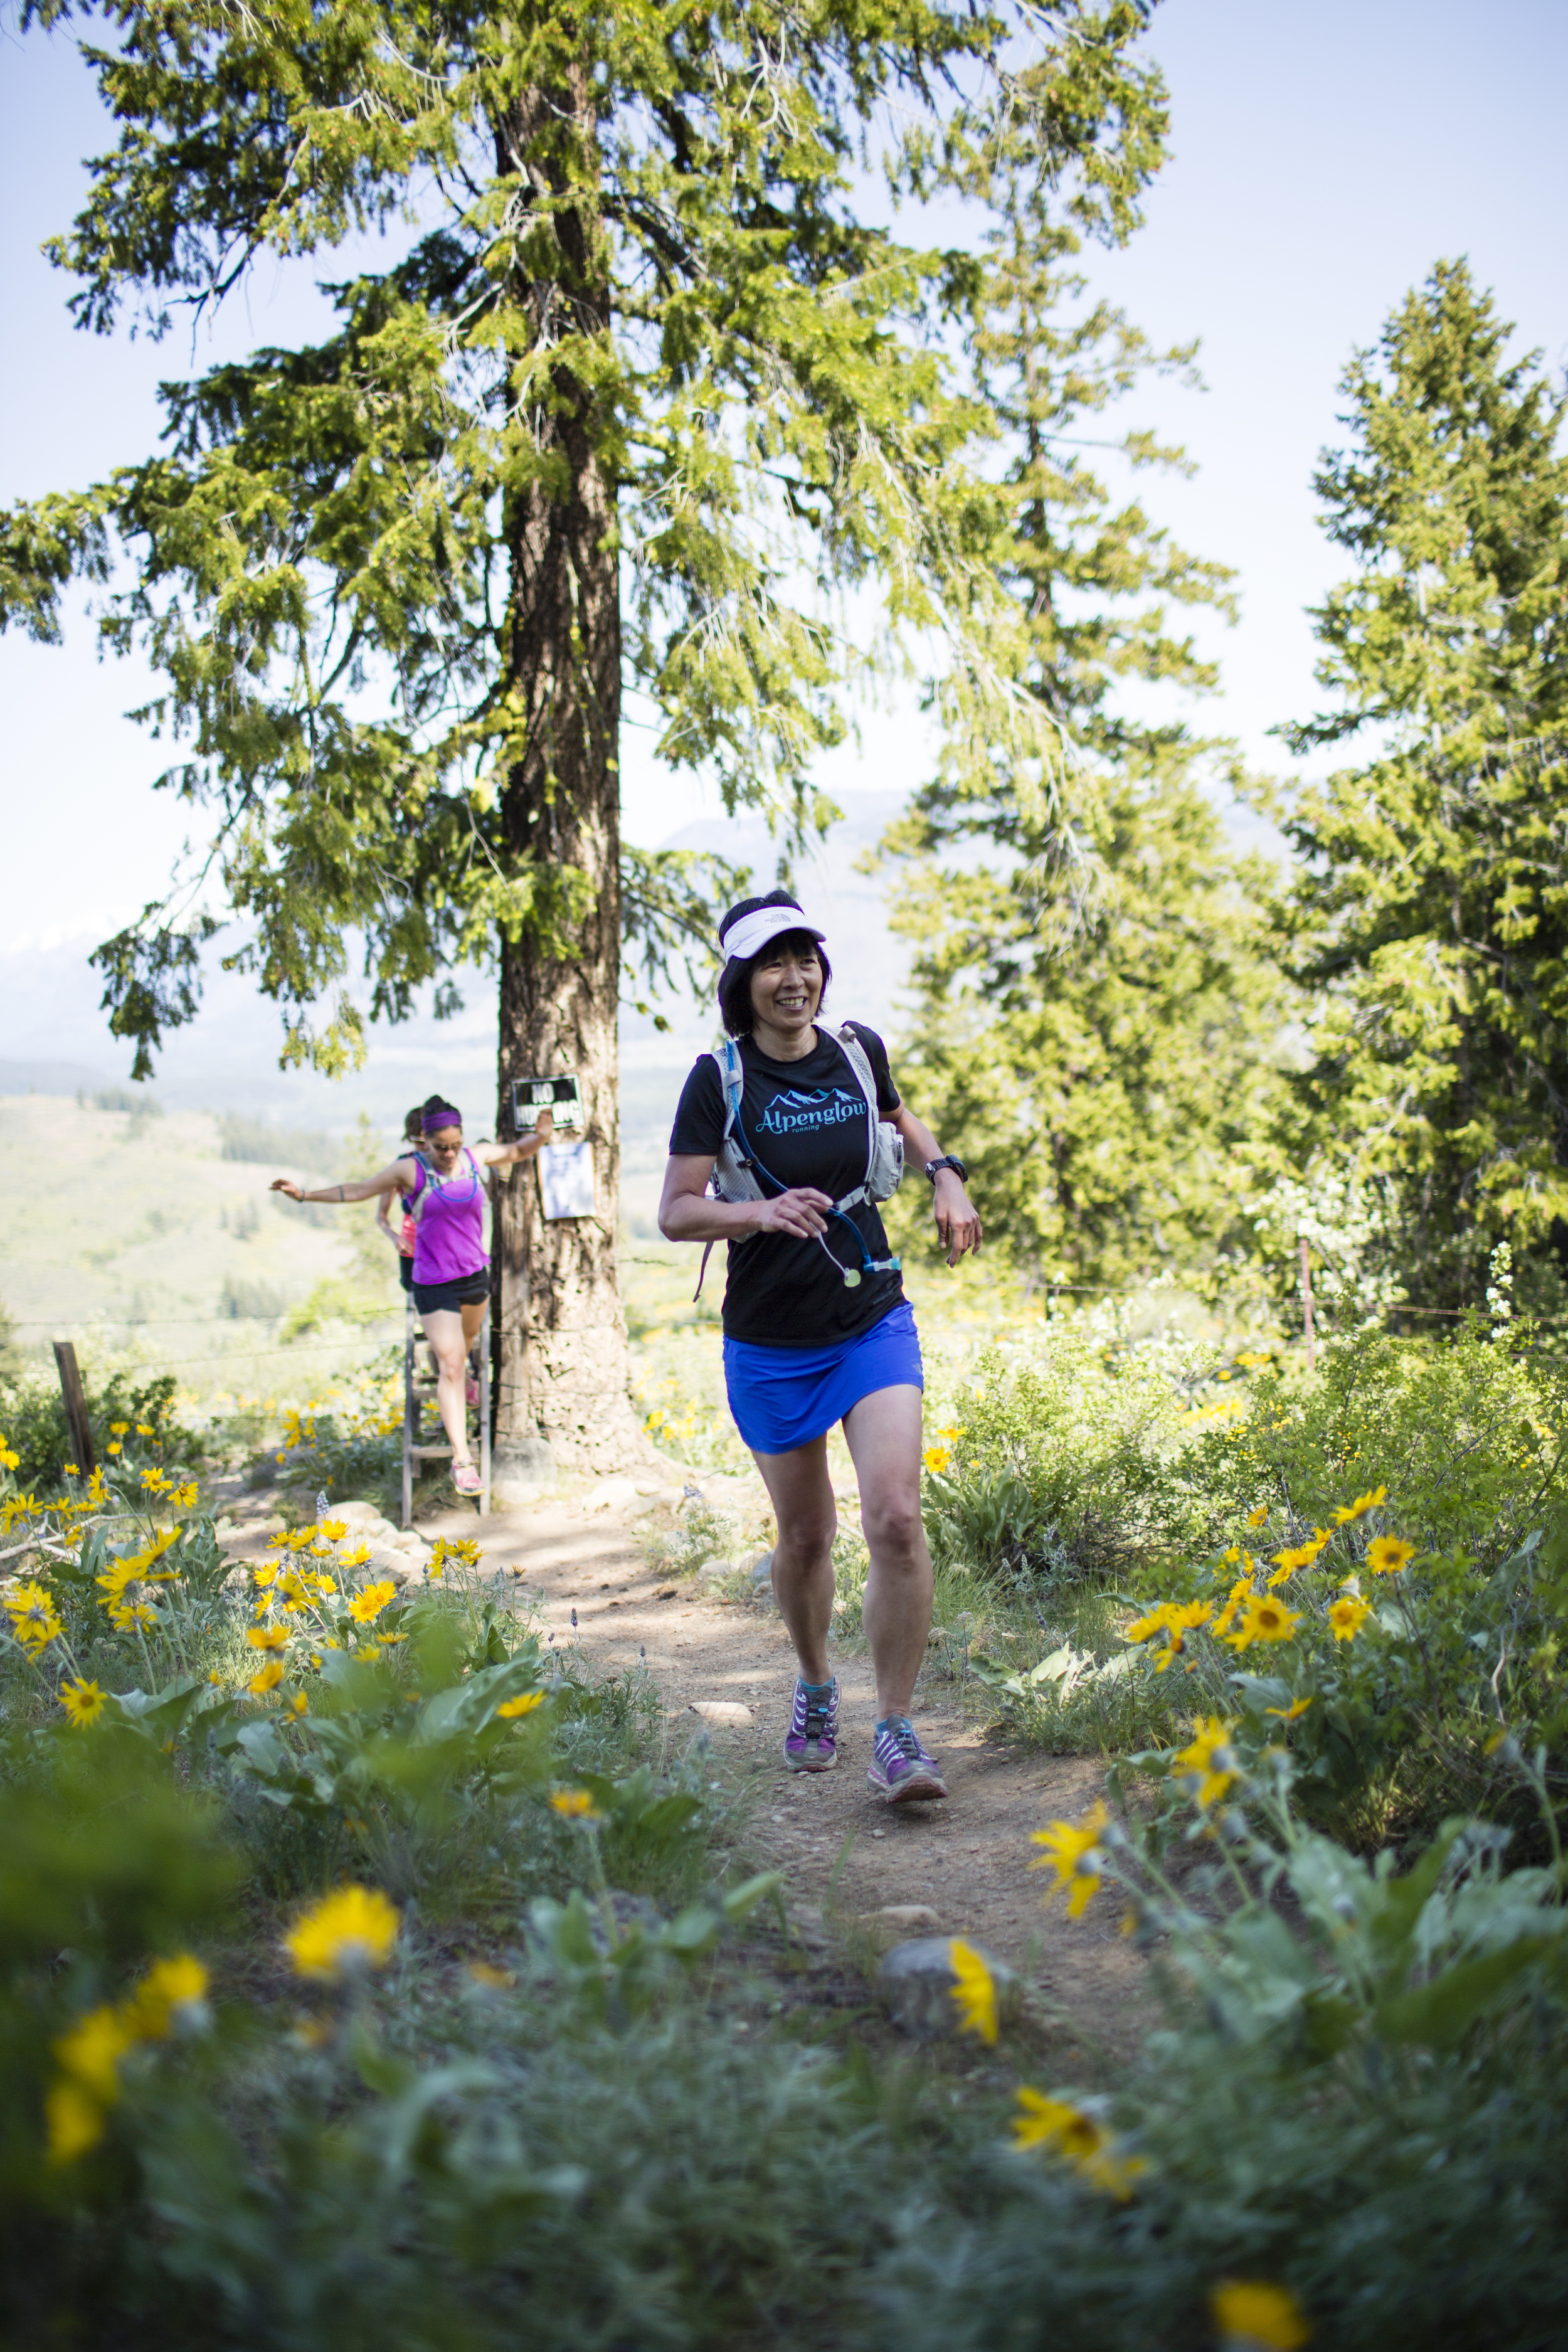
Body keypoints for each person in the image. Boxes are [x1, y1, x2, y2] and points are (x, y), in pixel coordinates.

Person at [659, 890, 982, 1804]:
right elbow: (676, 1211)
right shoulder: (717, 1079)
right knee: (806, 1537)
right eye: (773, 962)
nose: (793, 977)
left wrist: (945, 1175)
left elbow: (900, 1119)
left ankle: (896, 1730)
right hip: (771, 1339)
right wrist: (758, 1212)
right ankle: (813, 1684)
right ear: (743, 981)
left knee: (897, 1518)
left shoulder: (855, 1049)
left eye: (805, 957)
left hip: (871, 1315)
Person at [270, 1094, 553, 1495]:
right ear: (426, 1140)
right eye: (441, 1147)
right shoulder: (410, 1169)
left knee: (465, 1347)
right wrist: (305, 1195)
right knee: (450, 1364)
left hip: (474, 1276)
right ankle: (462, 1461)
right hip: (433, 1282)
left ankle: (465, 1380)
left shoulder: (475, 1159)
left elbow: (517, 1150)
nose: (449, 1154)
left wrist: (542, 1135)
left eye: (455, 1145)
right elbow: (360, 1190)